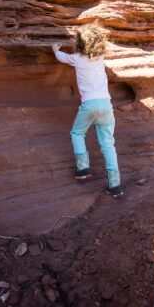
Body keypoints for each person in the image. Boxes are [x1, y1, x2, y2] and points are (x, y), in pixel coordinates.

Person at [51, 23, 123, 198]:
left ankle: (83, 168)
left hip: (89, 105)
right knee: (108, 144)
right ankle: (115, 186)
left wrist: (55, 50)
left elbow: (62, 57)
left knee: (77, 133)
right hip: (106, 105)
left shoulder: (76, 58)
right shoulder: (100, 59)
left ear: (80, 44)